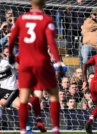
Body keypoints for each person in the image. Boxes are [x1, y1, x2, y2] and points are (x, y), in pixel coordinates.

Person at [8, 0, 62, 134]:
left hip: (25, 65)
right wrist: (58, 61)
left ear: (31, 3)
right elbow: (51, 41)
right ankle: (55, 129)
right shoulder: (46, 19)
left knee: (24, 99)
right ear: (44, 3)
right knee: (52, 95)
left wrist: (10, 54)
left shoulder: (21, 19)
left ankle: (23, 130)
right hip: (41, 63)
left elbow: (12, 38)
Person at [0, 54, 46, 134]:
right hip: (1, 89)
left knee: (3, 104)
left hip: (10, 90)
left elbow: (20, 69)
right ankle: (28, 130)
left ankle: (27, 130)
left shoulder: (6, 62)